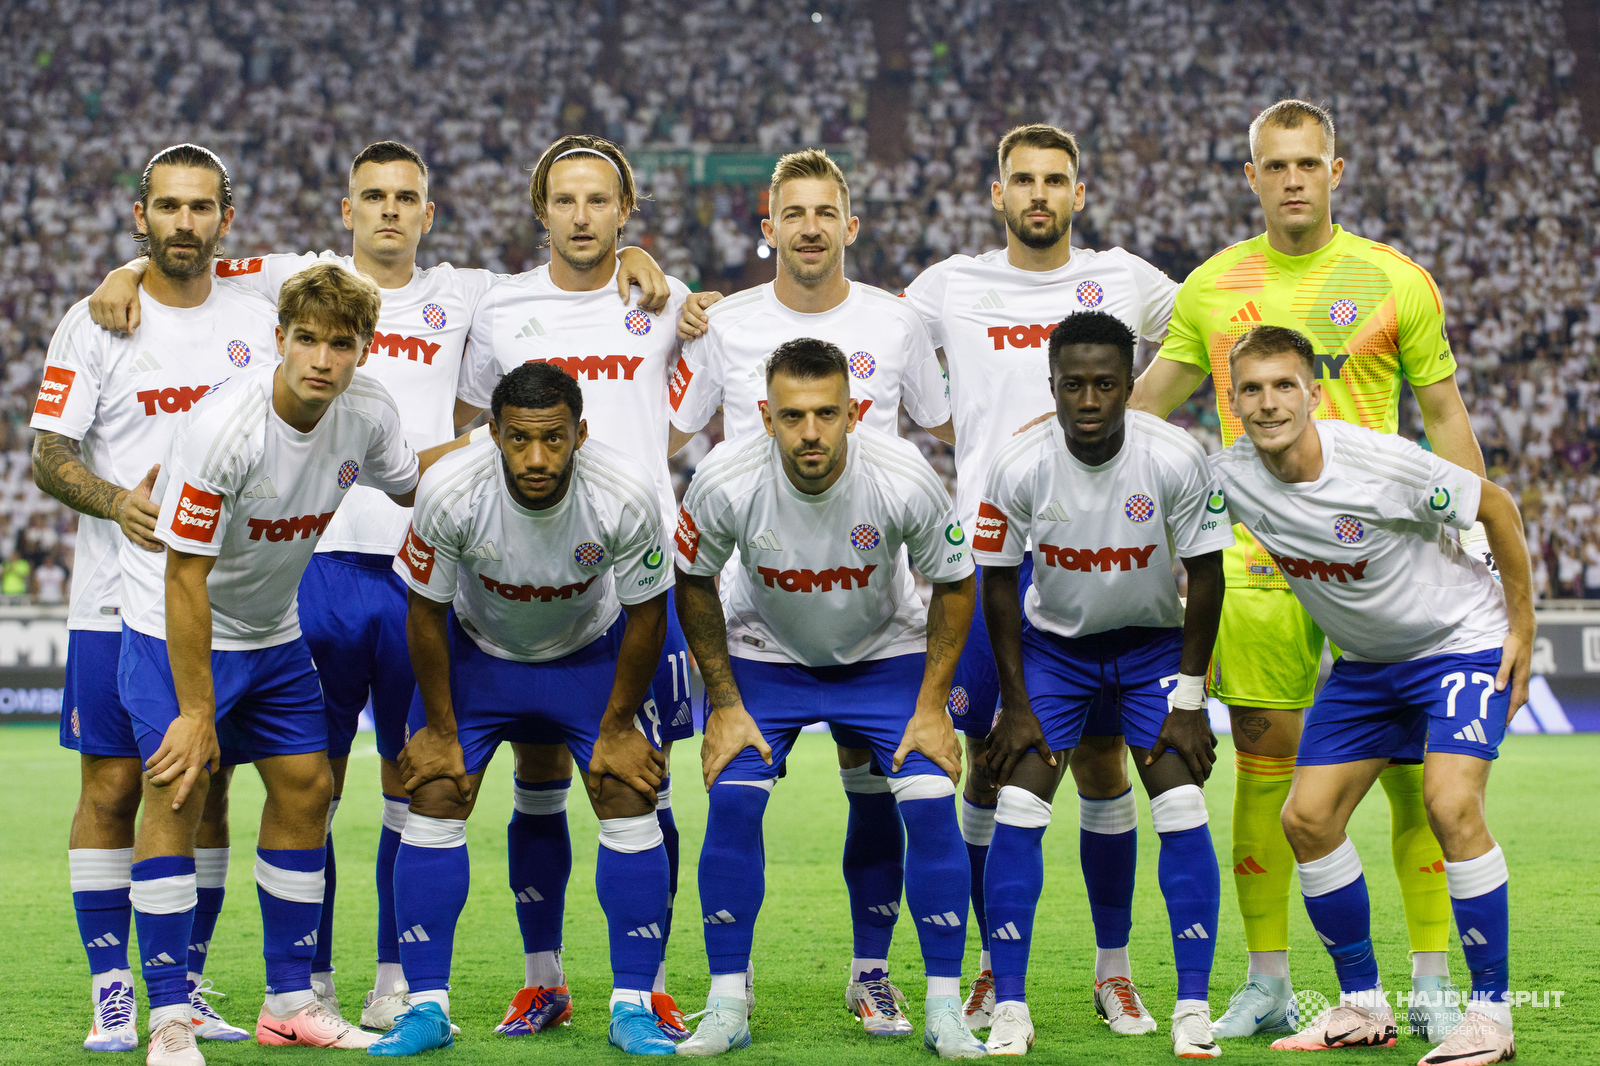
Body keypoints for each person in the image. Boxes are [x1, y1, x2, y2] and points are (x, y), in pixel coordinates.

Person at [88, 139, 670, 1028]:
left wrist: (632, 251)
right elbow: (190, 247)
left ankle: (397, 977)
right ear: (347, 210)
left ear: (429, 213)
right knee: (305, 783)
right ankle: (303, 981)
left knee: (414, 776)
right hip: (309, 577)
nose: (390, 209)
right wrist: (128, 270)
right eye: (373, 195)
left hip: (415, 573)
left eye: (407, 196)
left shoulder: (473, 292)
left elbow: (570, 268)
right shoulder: (293, 276)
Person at [1130, 99, 1481, 1040]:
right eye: (1274, 165)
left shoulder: (1392, 279)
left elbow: (1444, 418)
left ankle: (1433, 980)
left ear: (1336, 171)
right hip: (1260, 559)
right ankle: (1272, 979)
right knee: (1267, 769)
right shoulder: (1209, 287)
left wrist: (1471, 534)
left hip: (1387, 561)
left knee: (1417, 777)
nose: (1292, 178)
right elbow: (1151, 409)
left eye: (1308, 163)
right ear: (1252, 177)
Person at [118, 261, 460, 1065]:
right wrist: (197, 714)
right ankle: (168, 1017)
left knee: (307, 786)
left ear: (364, 351)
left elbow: (410, 485)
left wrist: (491, 441)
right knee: (178, 789)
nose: (321, 359)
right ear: (278, 341)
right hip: (178, 626)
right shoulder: (222, 430)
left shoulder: (367, 413)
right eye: (305, 339)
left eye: (341, 344)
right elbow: (183, 575)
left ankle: (290, 1001)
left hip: (273, 630)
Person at [898, 123, 1180, 1033]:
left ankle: (1113, 969)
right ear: (996, 194)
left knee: (1102, 767)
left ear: (1080, 194)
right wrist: (697, 304)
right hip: (995, 566)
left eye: (1055, 180)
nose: (1039, 195)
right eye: (1022, 180)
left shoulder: (1128, 279)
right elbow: (854, 323)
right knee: (993, 768)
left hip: (1105, 557)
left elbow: (1220, 326)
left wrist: (1144, 413)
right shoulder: (949, 285)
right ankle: (991, 965)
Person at [671, 149, 954, 1033]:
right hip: (764, 633)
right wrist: (663, 297)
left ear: (848, 224)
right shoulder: (722, 335)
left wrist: (937, 704)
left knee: (914, 794)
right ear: (769, 230)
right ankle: (727, 998)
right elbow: (677, 434)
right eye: (791, 213)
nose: (808, 227)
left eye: (823, 212)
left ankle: (900, 986)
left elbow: (943, 430)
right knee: (732, 790)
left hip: (879, 625)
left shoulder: (899, 328)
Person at [1210, 325, 1531, 1066]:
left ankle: (1491, 1016)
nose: (1268, 403)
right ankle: (1361, 1005)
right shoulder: (1230, 476)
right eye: (1250, 389)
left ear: (1312, 393)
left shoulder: (1381, 465)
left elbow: (1499, 509)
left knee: (1450, 806)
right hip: (1366, 665)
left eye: (1284, 385)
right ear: (1233, 402)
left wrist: (1524, 626)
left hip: (1459, 640)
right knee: (1308, 819)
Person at [31, 143, 276, 1051]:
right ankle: (112, 989)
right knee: (113, 782)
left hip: (222, 600)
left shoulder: (259, 318)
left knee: (205, 786)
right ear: (143, 216)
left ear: (226, 219)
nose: (184, 223)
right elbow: (48, 452)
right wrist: (116, 500)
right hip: (112, 600)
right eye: (167, 208)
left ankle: (188, 979)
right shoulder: (93, 324)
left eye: (200, 207)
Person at [455, 134, 696, 1039]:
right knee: (538, 780)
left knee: (644, 779)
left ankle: (653, 979)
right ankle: (543, 978)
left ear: (625, 212)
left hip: (640, 579)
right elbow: (472, 426)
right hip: (526, 580)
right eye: (566, 200)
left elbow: (684, 416)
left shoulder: (666, 301)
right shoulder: (502, 308)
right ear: (541, 209)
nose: (584, 216)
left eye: (601, 201)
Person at [370, 361, 678, 1057]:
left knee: (627, 788)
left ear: (580, 434)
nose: (536, 458)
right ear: (493, 435)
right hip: (481, 655)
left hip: (588, 654)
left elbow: (647, 615)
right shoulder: (450, 489)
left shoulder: (623, 492)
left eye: (554, 440)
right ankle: (426, 1008)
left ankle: (633, 1004)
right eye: (518, 440)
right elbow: (424, 611)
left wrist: (620, 726)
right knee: (438, 789)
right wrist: (443, 731)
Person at [971, 312, 1229, 1058]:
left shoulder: (1176, 457)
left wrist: (1188, 697)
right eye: (1073, 385)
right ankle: (1011, 1003)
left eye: (1106, 384)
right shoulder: (1020, 463)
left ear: (1128, 385)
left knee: (1181, 803)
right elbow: (996, 583)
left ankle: (1187, 1005)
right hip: (1056, 651)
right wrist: (1016, 706)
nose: (1089, 400)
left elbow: (1207, 576)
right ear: (1051, 386)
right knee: (1018, 800)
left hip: (1151, 648)